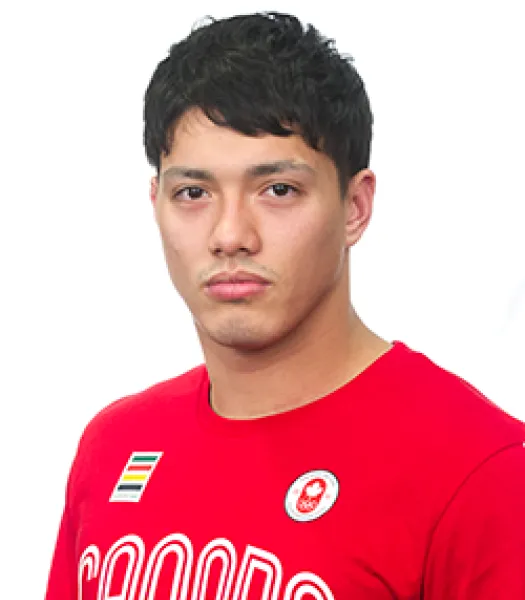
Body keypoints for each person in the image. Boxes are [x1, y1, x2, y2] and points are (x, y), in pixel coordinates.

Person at [45, 11, 525, 599]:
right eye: (193, 192)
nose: (230, 235)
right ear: (156, 203)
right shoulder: (114, 447)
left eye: (278, 190)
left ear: (354, 207)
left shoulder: (479, 470)